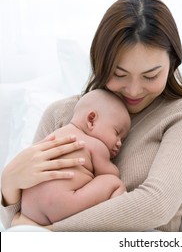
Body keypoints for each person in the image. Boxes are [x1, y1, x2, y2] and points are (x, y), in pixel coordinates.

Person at [1, 0, 182, 231]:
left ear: (173, 63)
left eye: (150, 75)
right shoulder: (61, 114)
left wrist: (51, 234)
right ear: (100, 63)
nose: (134, 90)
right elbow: (17, 222)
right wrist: (8, 184)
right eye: (119, 74)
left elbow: (156, 205)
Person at [20, 89, 131, 226]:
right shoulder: (96, 146)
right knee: (114, 182)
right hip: (63, 205)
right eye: (117, 133)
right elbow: (110, 173)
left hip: (30, 210)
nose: (119, 143)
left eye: (122, 139)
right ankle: (115, 224)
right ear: (91, 120)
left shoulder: (54, 135)